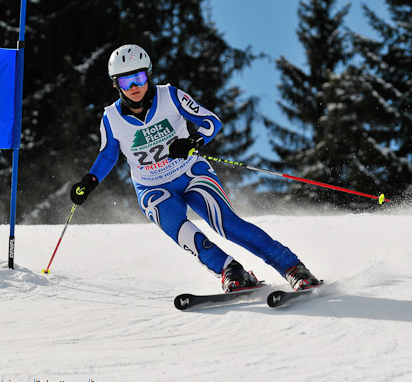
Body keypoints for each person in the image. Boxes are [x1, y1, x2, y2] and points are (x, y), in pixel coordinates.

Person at [70, 44, 321, 293]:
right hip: (151, 186)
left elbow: (211, 121)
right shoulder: (111, 117)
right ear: (116, 84)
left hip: (191, 173)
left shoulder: (170, 96)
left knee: (226, 224)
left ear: (149, 74)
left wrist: (193, 142)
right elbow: (107, 155)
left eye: (139, 77)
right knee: (180, 229)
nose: (134, 87)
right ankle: (230, 271)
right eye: (126, 82)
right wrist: (89, 181)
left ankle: (293, 268)